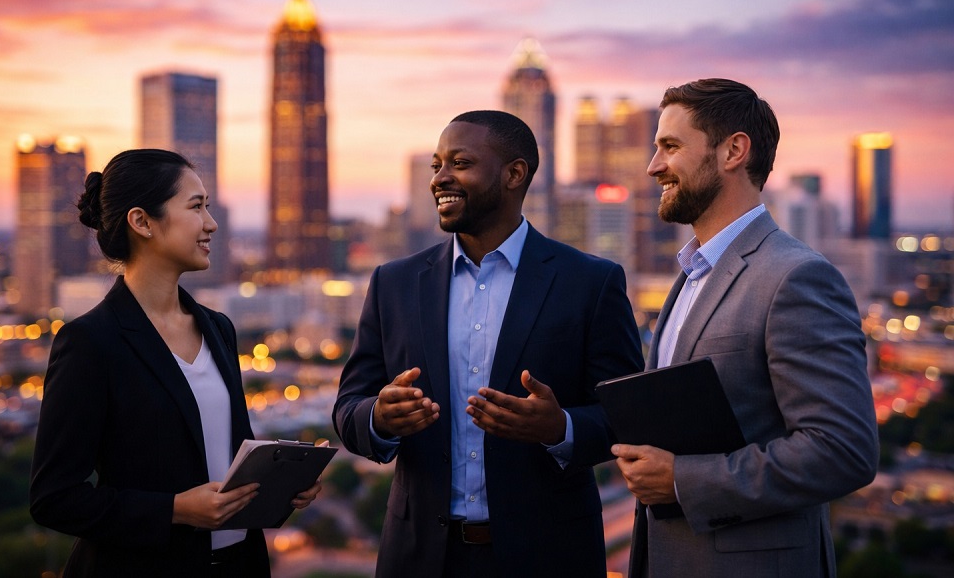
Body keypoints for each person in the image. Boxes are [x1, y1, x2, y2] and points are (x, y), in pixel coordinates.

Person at [333, 110, 644, 578]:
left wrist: (558, 426)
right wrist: (378, 417)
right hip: (419, 558)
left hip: (549, 557)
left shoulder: (591, 283)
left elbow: (626, 418)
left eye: (459, 163)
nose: (440, 179)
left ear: (514, 174)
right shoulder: (393, 283)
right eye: (437, 165)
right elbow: (347, 408)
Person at [612, 79, 878, 577]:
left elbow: (843, 451)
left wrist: (682, 481)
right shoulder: (690, 277)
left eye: (670, 146)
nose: (653, 166)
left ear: (734, 150)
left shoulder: (796, 276)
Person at [30, 149, 321, 577]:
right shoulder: (91, 342)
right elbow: (54, 498)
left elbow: (228, 455)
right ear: (142, 221)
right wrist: (175, 510)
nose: (211, 223)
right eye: (196, 206)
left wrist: (280, 483)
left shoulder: (218, 328)